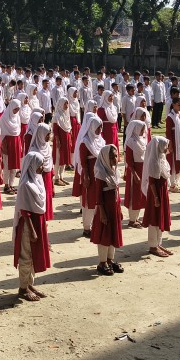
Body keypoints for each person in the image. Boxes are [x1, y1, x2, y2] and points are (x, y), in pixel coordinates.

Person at [13, 151, 51, 302]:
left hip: (38, 222)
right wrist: (32, 230)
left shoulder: (38, 181)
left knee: (34, 255)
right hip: (28, 225)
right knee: (26, 255)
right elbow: (24, 210)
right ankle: (23, 288)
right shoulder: (25, 185)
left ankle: (30, 284)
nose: (42, 167)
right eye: (39, 164)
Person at [91, 144, 125, 276]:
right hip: (105, 210)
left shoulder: (115, 172)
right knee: (104, 236)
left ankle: (110, 260)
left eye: (116, 156)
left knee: (113, 235)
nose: (115, 159)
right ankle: (102, 262)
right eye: (112, 157)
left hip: (114, 208)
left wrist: (120, 209)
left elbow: (116, 192)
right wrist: (102, 213)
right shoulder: (101, 173)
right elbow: (98, 195)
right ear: (105, 158)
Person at [73, 111, 106, 237]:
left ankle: (97, 224)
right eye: (98, 127)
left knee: (98, 198)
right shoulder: (85, 142)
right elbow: (83, 162)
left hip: (99, 173)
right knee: (88, 200)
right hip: (90, 174)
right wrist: (86, 176)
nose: (100, 129)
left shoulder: (101, 140)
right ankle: (87, 227)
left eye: (101, 127)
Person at [143, 136, 173, 258]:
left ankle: (158, 243)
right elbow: (152, 182)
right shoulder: (154, 161)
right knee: (154, 219)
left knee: (161, 217)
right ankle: (152, 245)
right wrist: (156, 197)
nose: (167, 148)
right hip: (156, 193)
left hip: (162, 191)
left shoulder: (162, 159)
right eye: (165, 145)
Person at [122, 117, 148, 228]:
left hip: (142, 169)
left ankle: (136, 218)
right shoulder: (130, 142)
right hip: (135, 171)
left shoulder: (142, 140)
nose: (143, 131)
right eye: (141, 129)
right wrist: (134, 174)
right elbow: (129, 160)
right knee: (134, 194)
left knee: (140, 194)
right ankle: (132, 220)